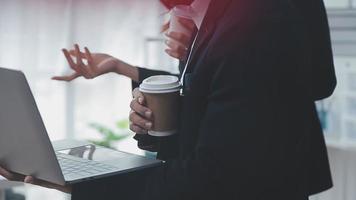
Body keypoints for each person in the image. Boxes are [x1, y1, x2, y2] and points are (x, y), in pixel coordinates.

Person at [0, 0, 337, 199]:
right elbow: (228, 98)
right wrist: (140, 79)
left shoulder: (257, 23)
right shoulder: (221, 17)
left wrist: (81, 186)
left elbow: (211, 176)